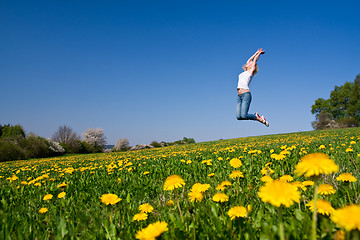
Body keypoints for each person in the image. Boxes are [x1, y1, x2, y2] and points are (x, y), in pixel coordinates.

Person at [236, 48, 269, 127]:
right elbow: (250, 59)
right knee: (238, 117)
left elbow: (254, 60)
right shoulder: (244, 72)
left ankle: (257, 118)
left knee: (244, 115)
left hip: (246, 95)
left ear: (252, 66)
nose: (248, 63)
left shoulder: (250, 72)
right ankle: (257, 117)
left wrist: (259, 54)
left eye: (250, 63)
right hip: (239, 96)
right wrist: (255, 53)